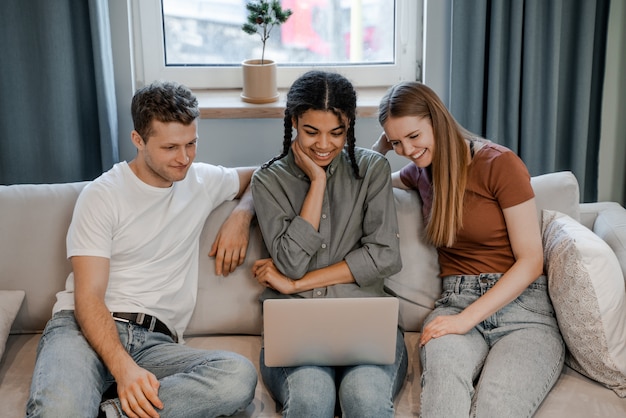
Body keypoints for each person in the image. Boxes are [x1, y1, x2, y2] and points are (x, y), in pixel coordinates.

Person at [26, 81, 258, 418]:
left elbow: (263, 173)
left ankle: (112, 414)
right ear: (138, 140)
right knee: (59, 410)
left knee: (237, 376)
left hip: (155, 344)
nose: (184, 158)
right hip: (83, 331)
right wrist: (123, 370)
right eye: (170, 148)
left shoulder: (202, 181)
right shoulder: (102, 195)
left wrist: (242, 214)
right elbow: (88, 298)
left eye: (192, 143)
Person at [372, 81, 565, 417]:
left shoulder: (498, 163)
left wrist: (466, 320)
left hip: (523, 311)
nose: (408, 149)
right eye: (398, 142)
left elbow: (532, 260)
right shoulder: (419, 172)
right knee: (443, 397)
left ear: (437, 119)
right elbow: (364, 180)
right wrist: (381, 146)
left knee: (496, 407)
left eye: (414, 136)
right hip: (455, 300)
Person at [251, 70, 408, 418]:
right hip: (296, 332)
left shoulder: (372, 170)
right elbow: (291, 261)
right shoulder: (268, 181)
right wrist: (318, 182)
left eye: (336, 133)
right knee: (310, 399)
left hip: (367, 328)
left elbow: (385, 256)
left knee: (365, 399)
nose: (324, 145)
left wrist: (298, 285)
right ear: (294, 123)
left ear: (349, 125)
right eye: (311, 132)